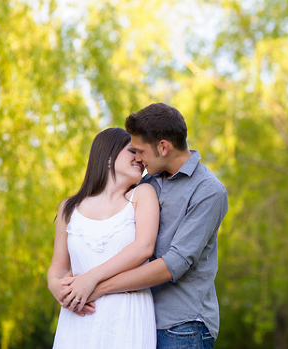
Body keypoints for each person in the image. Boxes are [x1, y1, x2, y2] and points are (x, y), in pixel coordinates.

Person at [81, 103, 228, 348]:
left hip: (183, 327)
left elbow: (173, 264)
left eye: (140, 151)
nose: (136, 158)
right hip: (140, 321)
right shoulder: (148, 181)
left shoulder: (209, 191)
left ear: (163, 147)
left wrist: (99, 287)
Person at [47, 127, 161, 348]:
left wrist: (90, 278)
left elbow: (144, 248)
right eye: (132, 151)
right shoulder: (69, 208)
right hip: (78, 318)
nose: (140, 158)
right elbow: (58, 267)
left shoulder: (142, 196)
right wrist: (56, 286)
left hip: (127, 316)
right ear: (108, 157)